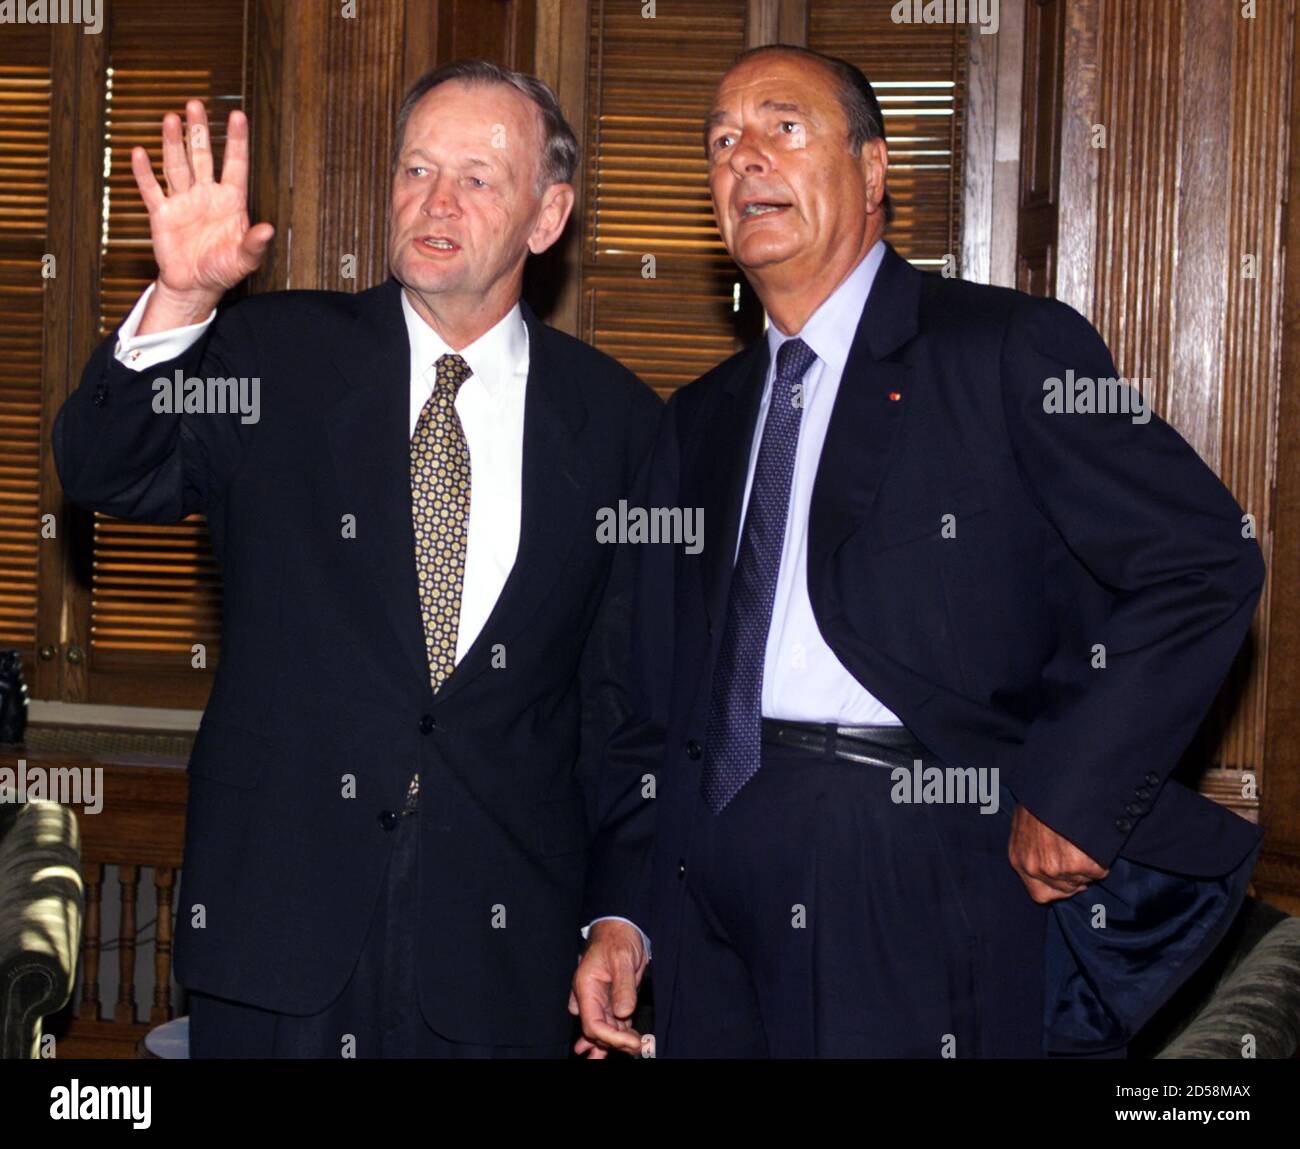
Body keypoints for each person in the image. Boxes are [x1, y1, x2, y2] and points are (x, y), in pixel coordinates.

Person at [573, 44, 1264, 1059]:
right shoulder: (699, 421)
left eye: (783, 127)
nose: (745, 158)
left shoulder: (1004, 348)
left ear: (873, 168)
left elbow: (1203, 557)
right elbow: (647, 695)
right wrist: (623, 913)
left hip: (908, 862)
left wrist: (1073, 792)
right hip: (702, 885)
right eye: (721, 142)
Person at [55, 59, 661, 1058]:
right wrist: (177, 299)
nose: (435, 199)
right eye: (416, 168)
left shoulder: (620, 426)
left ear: (546, 217)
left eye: (477, 175)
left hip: (503, 955)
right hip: (279, 931)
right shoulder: (273, 358)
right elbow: (109, 469)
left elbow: (626, 709)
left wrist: (618, 917)